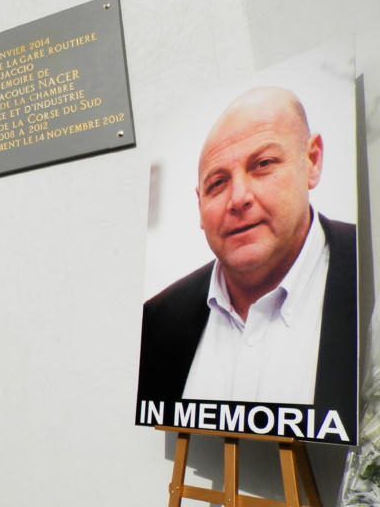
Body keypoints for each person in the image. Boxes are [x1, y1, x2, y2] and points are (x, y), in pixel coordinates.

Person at [138, 87, 356, 420]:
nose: (238, 198)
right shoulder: (156, 322)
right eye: (217, 183)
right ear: (200, 206)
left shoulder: (368, 273)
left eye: (263, 164)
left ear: (312, 161)